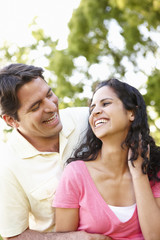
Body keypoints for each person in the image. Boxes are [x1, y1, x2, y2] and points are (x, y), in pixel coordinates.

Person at [0, 63, 109, 240]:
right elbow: (15, 235)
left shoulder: (86, 119)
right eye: (35, 107)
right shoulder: (7, 167)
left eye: (49, 94)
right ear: (11, 120)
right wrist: (76, 238)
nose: (51, 107)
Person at [53, 78, 160, 240]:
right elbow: (63, 238)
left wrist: (139, 174)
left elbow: (155, 236)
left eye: (106, 103)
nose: (95, 111)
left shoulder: (154, 168)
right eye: (92, 108)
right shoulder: (76, 173)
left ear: (132, 113)